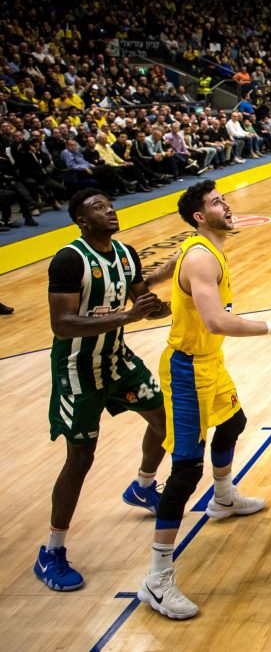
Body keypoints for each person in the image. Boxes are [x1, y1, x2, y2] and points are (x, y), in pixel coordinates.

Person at [136, 181, 271, 619]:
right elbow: (215, 321)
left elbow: (171, 262)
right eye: (215, 203)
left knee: (233, 422)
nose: (226, 206)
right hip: (188, 369)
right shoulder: (202, 258)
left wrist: (144, 282)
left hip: (209, 362)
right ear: (199, 217)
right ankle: (157, 579)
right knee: (186, 470)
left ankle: (223, 497)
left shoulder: (199, 246)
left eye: (223, 199)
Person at [36, 188, 172, 592]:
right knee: (81, 458)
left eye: (110, 204)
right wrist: (127, 316)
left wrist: (170, 302)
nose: (110, 210)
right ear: (81, 220)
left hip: (116, 359)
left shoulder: (127, 254)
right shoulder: (68, 260)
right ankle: (51, 551)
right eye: (98, 207)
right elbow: (62, 324)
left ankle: (142, 487)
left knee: (164, 421)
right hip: (77, 368)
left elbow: (143, 302)